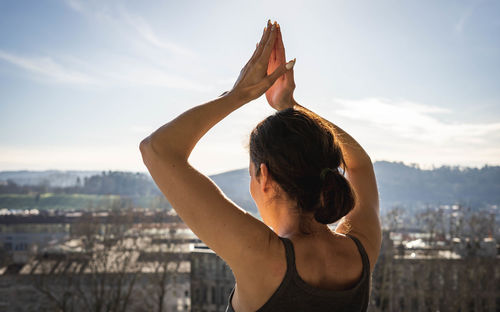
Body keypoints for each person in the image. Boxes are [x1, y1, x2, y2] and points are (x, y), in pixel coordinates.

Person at [140, 20, 381, 312]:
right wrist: (290, 106)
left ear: (263, 177)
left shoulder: (261, 256)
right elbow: (360, 165)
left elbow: (157, 149)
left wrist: (238, 93)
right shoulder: (361, 249)